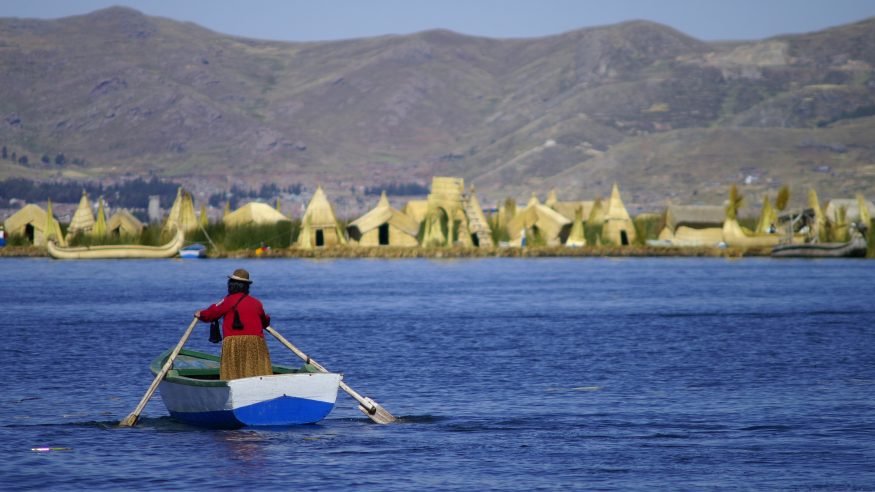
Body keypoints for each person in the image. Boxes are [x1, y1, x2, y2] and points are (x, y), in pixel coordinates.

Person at [195, 268, 273, 380]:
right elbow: (265, 322)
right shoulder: (257, 303)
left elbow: (211, 314)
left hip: (234, 344)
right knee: (256, 372)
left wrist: (200, 314)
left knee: (234, 375)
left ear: (231, 285)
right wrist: (267, 318)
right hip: (256, 344)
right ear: (246, 286)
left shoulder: (228, 301)